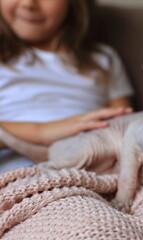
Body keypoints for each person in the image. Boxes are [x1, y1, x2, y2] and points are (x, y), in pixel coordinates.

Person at [0, 0, 134, 172]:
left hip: (93, 169)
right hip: (18, 172)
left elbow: (126, 128)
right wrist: (42, 132)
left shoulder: (102, 58)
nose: (28, 3)